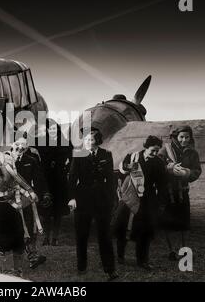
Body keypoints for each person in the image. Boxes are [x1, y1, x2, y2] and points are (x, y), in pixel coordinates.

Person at [68, 127, 118, 281]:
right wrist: (72, 198)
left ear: (97, 140)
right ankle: (81, 266)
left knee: (105, 235)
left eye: (91, 139)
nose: (89, 142)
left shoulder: (106, 154)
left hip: (102, 200)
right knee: (82, 235)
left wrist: (112, 198)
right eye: (86, 140)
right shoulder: (78, 154)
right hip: (82, 199)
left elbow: (111, 179)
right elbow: (72, 178)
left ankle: (110, 269)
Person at [113, 135, 167, 271]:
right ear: (146, 147)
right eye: (152, 150)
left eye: (157, 151)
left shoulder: (159, 163)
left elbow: (162, 185)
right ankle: (120, 256)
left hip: (147, 199)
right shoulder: (132, 157)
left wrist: (160, 203)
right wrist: (126, 168)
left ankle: (142, 260)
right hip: (129, 195)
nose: (155, 154)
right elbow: (120, 173)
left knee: (145, 230)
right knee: (122, 226)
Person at [158, 126, 202, 260]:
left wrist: (187, 173)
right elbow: (157, 166)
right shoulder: (166, 149)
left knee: (184, 223)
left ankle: (184, 251)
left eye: (187, 137)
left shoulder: (193, 153)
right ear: (176, 137)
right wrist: (169, 168)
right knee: (167, 222)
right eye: (181, 137)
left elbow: (197, 171)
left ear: (190, 138)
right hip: (168, 192)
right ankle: (171, 251)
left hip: (182, 191)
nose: (184, 140)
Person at [13, 135, 52, 269]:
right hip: (10, 199)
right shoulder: (7, 160)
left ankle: (32, 255)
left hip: (26, 198)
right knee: (14, 227)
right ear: (13, 145)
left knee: (30, 227)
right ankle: (17, 257)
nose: (20, 147)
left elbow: (39, 178)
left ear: (27, 147)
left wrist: (45, 193)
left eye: (23, 145)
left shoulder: (32, 160)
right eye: (18, 144)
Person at [34, 118, 72, 246]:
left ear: (58, 129)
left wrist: (65, 168)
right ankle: (46, 237)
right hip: (45, 180)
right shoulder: (41, 141)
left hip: (59, 180)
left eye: (54, 128)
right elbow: (27, 142)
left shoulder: (65, 142)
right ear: (47, 130)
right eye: (50, 129)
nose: (52, 131)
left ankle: (55, 237)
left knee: (57, 210)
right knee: (45, 209)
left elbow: (72, 157)